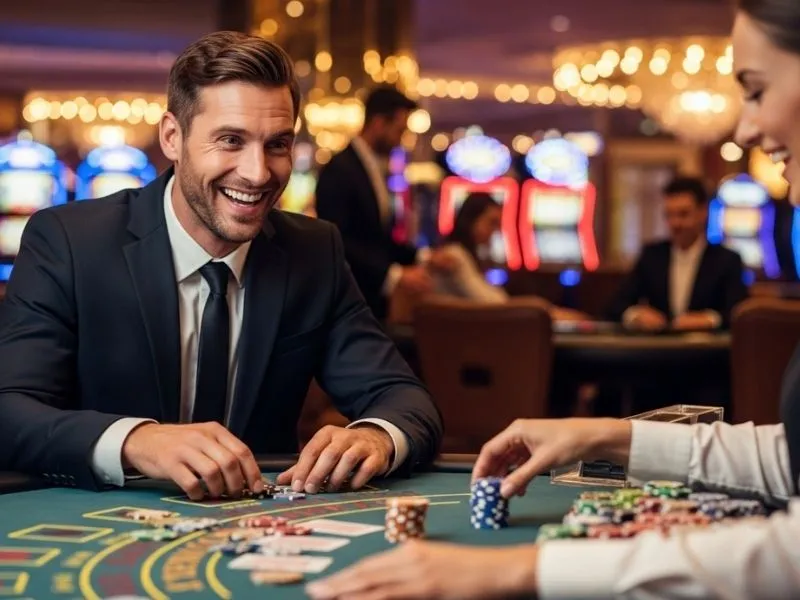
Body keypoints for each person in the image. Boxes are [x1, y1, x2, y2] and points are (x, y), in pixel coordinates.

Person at [304, 2, 800, 598]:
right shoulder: (648, 258)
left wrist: (522, 569)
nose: (744, 130)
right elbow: (786, 461)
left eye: (756, 89)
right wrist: (602, 436)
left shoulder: (724, 261)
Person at [0, 32, 442, 501]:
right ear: (172, 137)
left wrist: (376, 435)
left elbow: (406, 400)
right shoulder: (70, 242)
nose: (257, 172)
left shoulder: (314, 252)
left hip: (256, 528)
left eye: (277, 144)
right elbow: (9, 411)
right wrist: (137, 441)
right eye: (230, 140)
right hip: (101, 521)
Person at [315, 86, 432, 322]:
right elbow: (336, 241)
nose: (402, 140)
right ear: (378, 123)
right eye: (399, 130)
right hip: (348, 301)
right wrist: (394, 274)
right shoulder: (339, 169)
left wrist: (423, 256)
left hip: (371, 300)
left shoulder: (373, 166)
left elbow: (376, 237)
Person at [606, 176, 748, 331]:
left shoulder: (727, 260)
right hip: (661, 345)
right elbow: (614, 305)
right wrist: (635, 314)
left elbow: (738, 311)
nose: (675, 223)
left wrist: (708, 319)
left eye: (683, 214)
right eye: (669, 215)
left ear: (703, 212)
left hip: (708, 345)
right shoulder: (652, 256)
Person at [427, 192, 589, 321]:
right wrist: (543, 310)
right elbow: (490, 304)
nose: (495, 230)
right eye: (491, 222)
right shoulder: (454, 255)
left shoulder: (462, 254)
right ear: (471, 220)